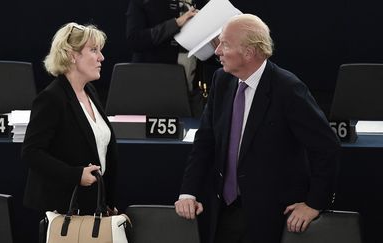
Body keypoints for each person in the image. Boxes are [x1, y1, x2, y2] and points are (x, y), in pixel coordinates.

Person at [174, 14, 340, 243]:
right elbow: (205, 141)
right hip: (223, 210)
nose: (218, 51)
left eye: (225, 44)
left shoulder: (287, 89)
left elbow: (326, 147)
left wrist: (314, 203)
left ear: (249, 53)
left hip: (269, 216)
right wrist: (188, 192)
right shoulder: (221, 81)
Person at [22, 22, 118, 215]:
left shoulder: (90, 91)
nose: (101, 57)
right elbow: (31, 153)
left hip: (92, 204)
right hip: (63, 208)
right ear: (72, 55)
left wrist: (106, 201)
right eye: (94, 50)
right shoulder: (51, 98)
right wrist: (75, 175)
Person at [126, 0, 217, 116]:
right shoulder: (144, 3)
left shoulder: (204, 4)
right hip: (154, 90)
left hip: (194, 91)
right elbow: (135, 40)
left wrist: (216, 46)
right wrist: (176, 23)